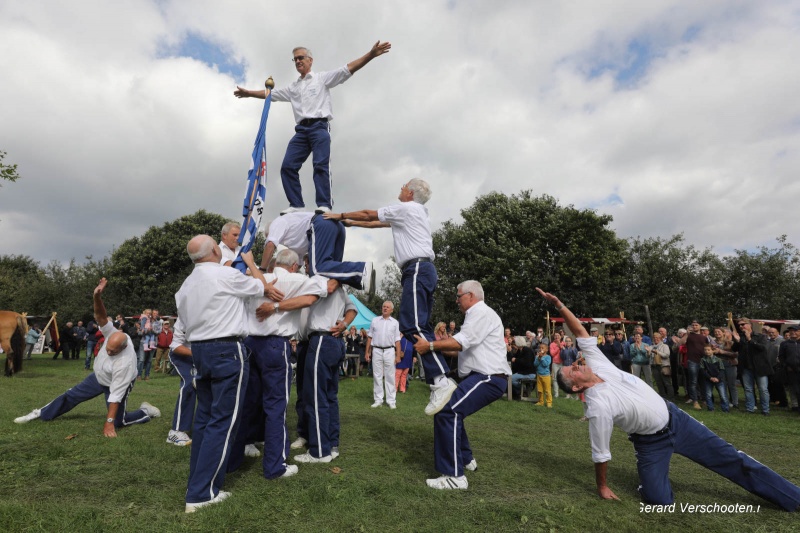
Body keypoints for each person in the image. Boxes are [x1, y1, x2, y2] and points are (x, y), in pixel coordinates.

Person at [539, 287, 800, 511]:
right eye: (572, 370)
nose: (577, 365)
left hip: (677, 421)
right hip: (650, 442)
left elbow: (580, 333)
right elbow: (600, 452)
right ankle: (655, 477)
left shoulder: (598, 364)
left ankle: (793, 498)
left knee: (733, 459)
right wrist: (602, 487)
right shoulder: (597, 406)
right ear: (576, 387)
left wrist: (559, 305)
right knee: (658, 501)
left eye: (573, 365)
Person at [325, 178, 456, 416]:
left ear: (410, 193)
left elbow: (369, 213)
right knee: (420, 326)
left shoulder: (407, 208)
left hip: (416, 269)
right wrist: (350, 223)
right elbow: (378, 223)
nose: (400, 188)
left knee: (412, 325)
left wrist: (339, 214)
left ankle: (441, 380)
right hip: (421, 270)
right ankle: (439, 381)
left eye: (404, 186)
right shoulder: (416, 212)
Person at [234, 41, 391, 214]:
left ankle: (324, 204)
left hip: (319, 127)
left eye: (301, 58)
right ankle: (296, 204)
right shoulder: (293, 87)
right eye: (295, 60)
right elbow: (271, 95)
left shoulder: (321, 79)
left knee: (320, 164)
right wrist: (248, 93)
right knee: (287, 166)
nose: (298, 61)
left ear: (310, 60)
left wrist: (370, 54)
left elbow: (347, 69)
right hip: (301, 131)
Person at [175, 235, 272, 513]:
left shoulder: (185, 285)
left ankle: (198, 484)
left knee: (205, 420)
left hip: (200, 351)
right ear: (216, 249)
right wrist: (252, 263)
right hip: (226, 349)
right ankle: (201, 493)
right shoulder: (226, 274)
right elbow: (260, 287)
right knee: (223, 422)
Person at [229, 248, 329, 479]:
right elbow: (316, 295)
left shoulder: (254, 278)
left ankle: (234, 458)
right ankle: (275, 465)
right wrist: (277, 306)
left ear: (275, 264)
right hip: (275, 344)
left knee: (246, 403)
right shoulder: (297, 279)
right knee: (276, 406)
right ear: (294, 266)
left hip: (250, 342)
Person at [14, 278, 160, 436]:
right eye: (107, 349)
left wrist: (109, 423)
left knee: (119, 421)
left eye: (112, 352)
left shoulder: (125, 364)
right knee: (71, 395)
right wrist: (97, 297)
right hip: (99, 376)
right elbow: (101, 316)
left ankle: (145, 411)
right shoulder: (113, 332)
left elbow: (116, 395)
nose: (108, 353)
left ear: (123, 348)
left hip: (115, 382)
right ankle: (40, 414)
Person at [413, 280, 511, 490]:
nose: (456, 300)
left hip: (488, 377)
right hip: (484, 376)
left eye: (458, 296)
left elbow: (460, 342)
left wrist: (429, 345)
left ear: (471, 296)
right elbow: (459, 350)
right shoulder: (476, 315)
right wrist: (433, 348)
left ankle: (454, 476)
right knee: (452, 410)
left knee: (447, 412)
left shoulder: (480, 312)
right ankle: (466, 459)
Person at [294, 281, 357, 463]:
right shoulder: (340, 288)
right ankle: (331, 444)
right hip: (332, 342)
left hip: (321, 339)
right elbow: (352, 309)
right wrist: (344, 323)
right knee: (330, 396)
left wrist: (275, 305)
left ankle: (319, 451)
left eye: (308, 262)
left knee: (316, 397)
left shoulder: (323, 283)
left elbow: (326, 292)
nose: (307, 266)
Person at [259, 212, 372, 291]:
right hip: (336, 226)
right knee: (331, 274)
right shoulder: (292, 240)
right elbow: (296, 265)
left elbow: (270, 245)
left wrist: (262, 270)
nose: (273, 238)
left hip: (321, 224)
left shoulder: (277, 223)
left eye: (269, 235)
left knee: (318, 269)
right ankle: (362, 281)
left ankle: (361, 270)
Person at [732, 318, 772, 415]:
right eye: (739, 325)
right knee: (748, 389)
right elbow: (734, 349)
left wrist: (750, 339)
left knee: (763, 389)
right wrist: (737, 341)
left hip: (760, 367)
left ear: (750, 325)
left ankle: (765, 410)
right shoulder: (739, 337)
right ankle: (750, 408)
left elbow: (763, 348)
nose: (741, 326)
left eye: (743, 324)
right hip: (746, 367)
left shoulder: (760, 336)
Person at [366, 301, 402, 409]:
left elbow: (397, 340)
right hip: (376, 350)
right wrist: (367, 352)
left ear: (391, 310)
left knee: (390, 376)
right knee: (377, 375)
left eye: (387, 307)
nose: (385, 308)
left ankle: (391, 401)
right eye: (384, 306)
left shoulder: (395, 322)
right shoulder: (375, 320)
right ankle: (378, 400)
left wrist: (398, 355)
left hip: (389, 351)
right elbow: (369, 337)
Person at [166, 318, 194, 447]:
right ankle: (176, 431)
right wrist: (198, 354)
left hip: (202, 356)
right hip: (182, 355)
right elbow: (176, 346)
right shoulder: (185, 318)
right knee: (189, 384)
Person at [700, 345, 729, 412]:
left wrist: (718, 378)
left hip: (719, 379)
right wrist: (710, 378)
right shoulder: (703, 360)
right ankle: (710, 408)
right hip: (708, 379)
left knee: (723, 395)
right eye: (705, 350)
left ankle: (725, 409)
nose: (707, 351)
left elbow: (722, 370)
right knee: (708, 395)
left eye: (708, 350)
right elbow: (702, 370)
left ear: (713, 350)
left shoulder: (718, 360)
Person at [533, 343, 552, 408]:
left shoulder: (548, 357)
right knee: (539, 390)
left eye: (542, 348)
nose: (541, 349)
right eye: (540, 348)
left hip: (546, 376)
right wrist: (538, 358)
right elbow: (535, 364)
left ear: (546, 350)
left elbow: (545, 364)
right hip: (539, 375)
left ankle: (549, 402)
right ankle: (540, 401)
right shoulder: (537, 356)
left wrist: (542, 358)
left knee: (547, 390)